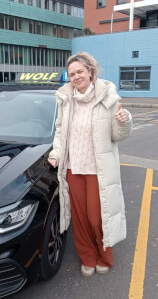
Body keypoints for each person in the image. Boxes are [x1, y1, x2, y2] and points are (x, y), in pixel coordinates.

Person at [48, 52, 132, 277]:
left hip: (98, 169)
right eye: (72, 73)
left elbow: (117, 134)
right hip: (73, 168)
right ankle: (87, 256)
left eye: (80, 72)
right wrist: (56, 153)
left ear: (90, 72)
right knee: (81, 218)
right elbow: (60, 131)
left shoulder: (107, 98)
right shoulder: (66, 100)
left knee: (97, 217)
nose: (76, 77)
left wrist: (125, 122)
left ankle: (105, 255)